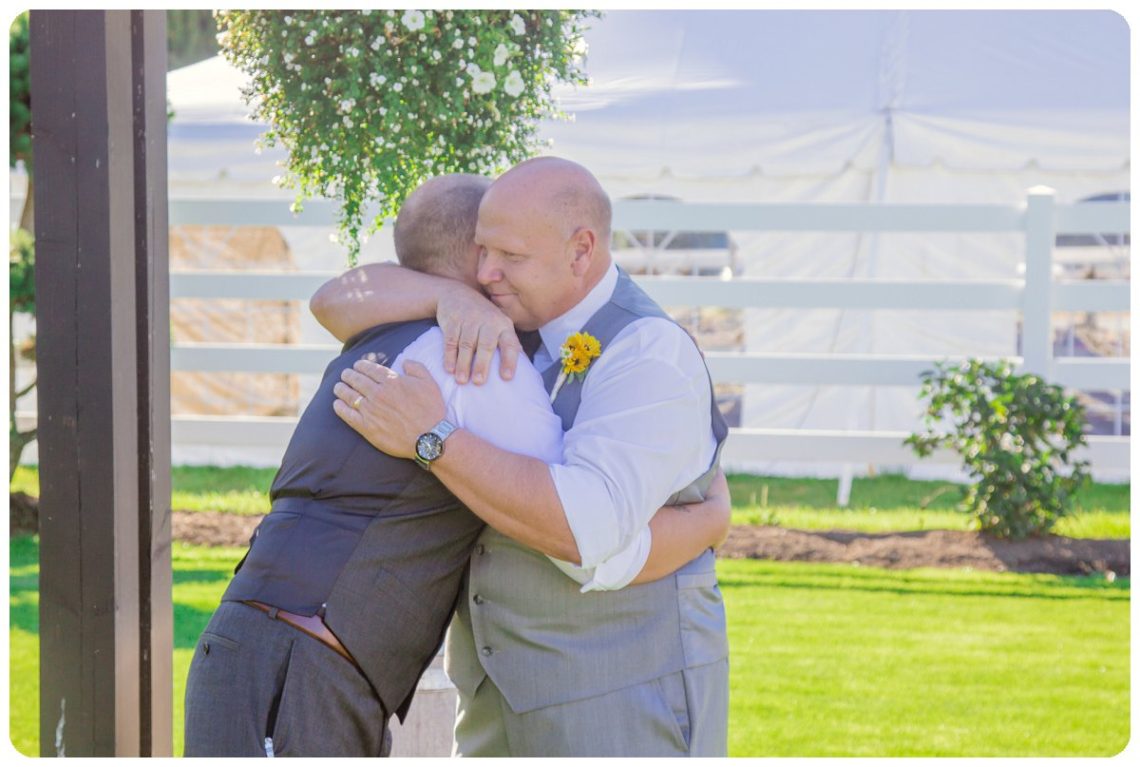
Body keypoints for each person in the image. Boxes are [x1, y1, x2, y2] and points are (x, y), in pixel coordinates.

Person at [182, 173, 730, 757]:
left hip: (611, 702)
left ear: (581, 250)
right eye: (484, 255)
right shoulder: (478, 340)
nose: (492, 272)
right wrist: (706, 522)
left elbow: (583, 527)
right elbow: (334, 297)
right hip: (325, 672)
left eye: (510, 256)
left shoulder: (643, 351)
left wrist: (436, 406)